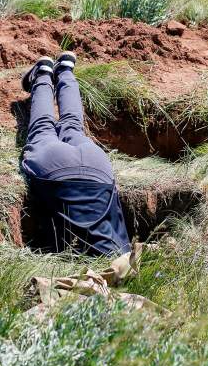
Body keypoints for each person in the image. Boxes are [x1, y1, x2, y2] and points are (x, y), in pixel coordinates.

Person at [20, 52, 130, 256]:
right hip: (56, 170)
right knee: (42, 128)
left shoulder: (124, 255)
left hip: (98, 169)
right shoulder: (82, 261)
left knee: (72, 126)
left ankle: (65, 70)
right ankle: (43, 74)